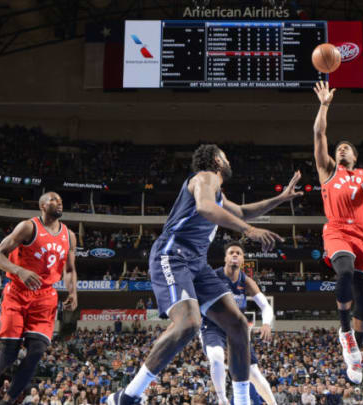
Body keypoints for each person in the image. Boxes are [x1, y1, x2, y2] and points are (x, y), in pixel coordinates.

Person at [109, 144, 302, 405]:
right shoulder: (205, 178)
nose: (229, 159)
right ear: (216, 160)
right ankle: (129, 395)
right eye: (225, 155)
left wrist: (280, 199)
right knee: (189, 323)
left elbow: (244, 212)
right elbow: (204, 208)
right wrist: (248, 230)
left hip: (197, 264)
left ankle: (242, 401)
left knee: (237, 325)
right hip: (173, 255)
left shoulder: (218, 193)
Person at [312, 81, 363, 383]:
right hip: (337, 230)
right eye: (338, 148)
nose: (340, 148)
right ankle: (344, 330)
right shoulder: (327, 170)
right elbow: (319, 134)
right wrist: (324, 105)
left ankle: (356, 355)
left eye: (345, 147)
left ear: (355, 156)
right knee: (343, 271)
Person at [0, 192, 78, 405]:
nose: (58, 201)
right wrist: (19, 270)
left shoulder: (69, 235)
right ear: (42, 205)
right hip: (18, 292)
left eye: (60, 199)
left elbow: (69, 269)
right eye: (53, 199)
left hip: (45, 295)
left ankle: (7, 401)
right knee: (9, 355)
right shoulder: (28, 227)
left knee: (37, 352)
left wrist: (73, 292)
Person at [201, 241, 277, 405]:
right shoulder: (213, 277)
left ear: (243, 260)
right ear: (225, 258)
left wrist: (266, 324)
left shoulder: (246, 281)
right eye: (231, 252)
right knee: (216, 357)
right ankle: (222, 399)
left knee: (254, 374)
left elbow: (265, 306)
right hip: (214, 326)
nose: (235, 255)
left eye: (238, 253)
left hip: (236, 329)